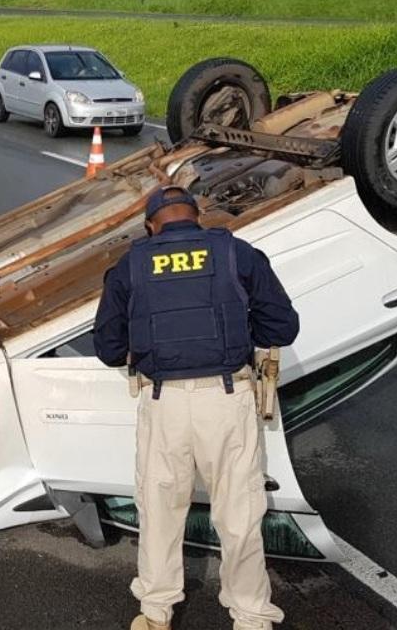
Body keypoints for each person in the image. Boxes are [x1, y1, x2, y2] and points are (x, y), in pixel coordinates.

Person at [94, 185, 300, 630]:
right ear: (197, 217)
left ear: (151, 225)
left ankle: (155, 612)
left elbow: (108, 348)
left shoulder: (130, 265)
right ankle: (250, 616)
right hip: (227, 400)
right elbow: (282, 325)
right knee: (240, 513)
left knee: (159, 510)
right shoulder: (236, 254)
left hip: (163, 403)